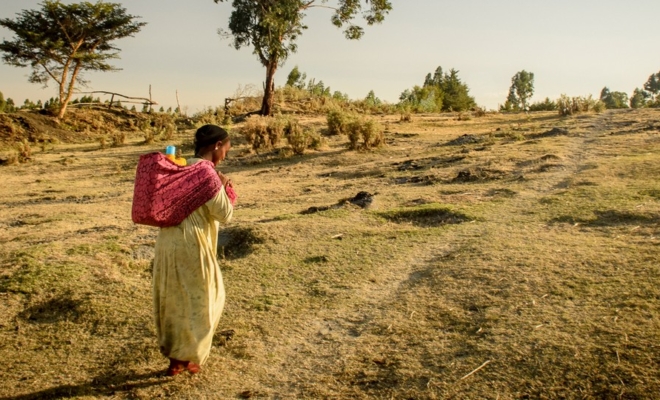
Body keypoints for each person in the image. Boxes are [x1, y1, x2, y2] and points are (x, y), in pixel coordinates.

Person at [152, 124, 234, 376]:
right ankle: (189, 356)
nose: (225, 156)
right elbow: (225, 214)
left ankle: (176, 357)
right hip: (192, 243)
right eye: (226, 150)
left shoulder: (178, 167)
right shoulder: (206, 174)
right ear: (217, 146)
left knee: (175, 299)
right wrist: (226, 186)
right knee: (207, 299)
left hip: (167, 242)